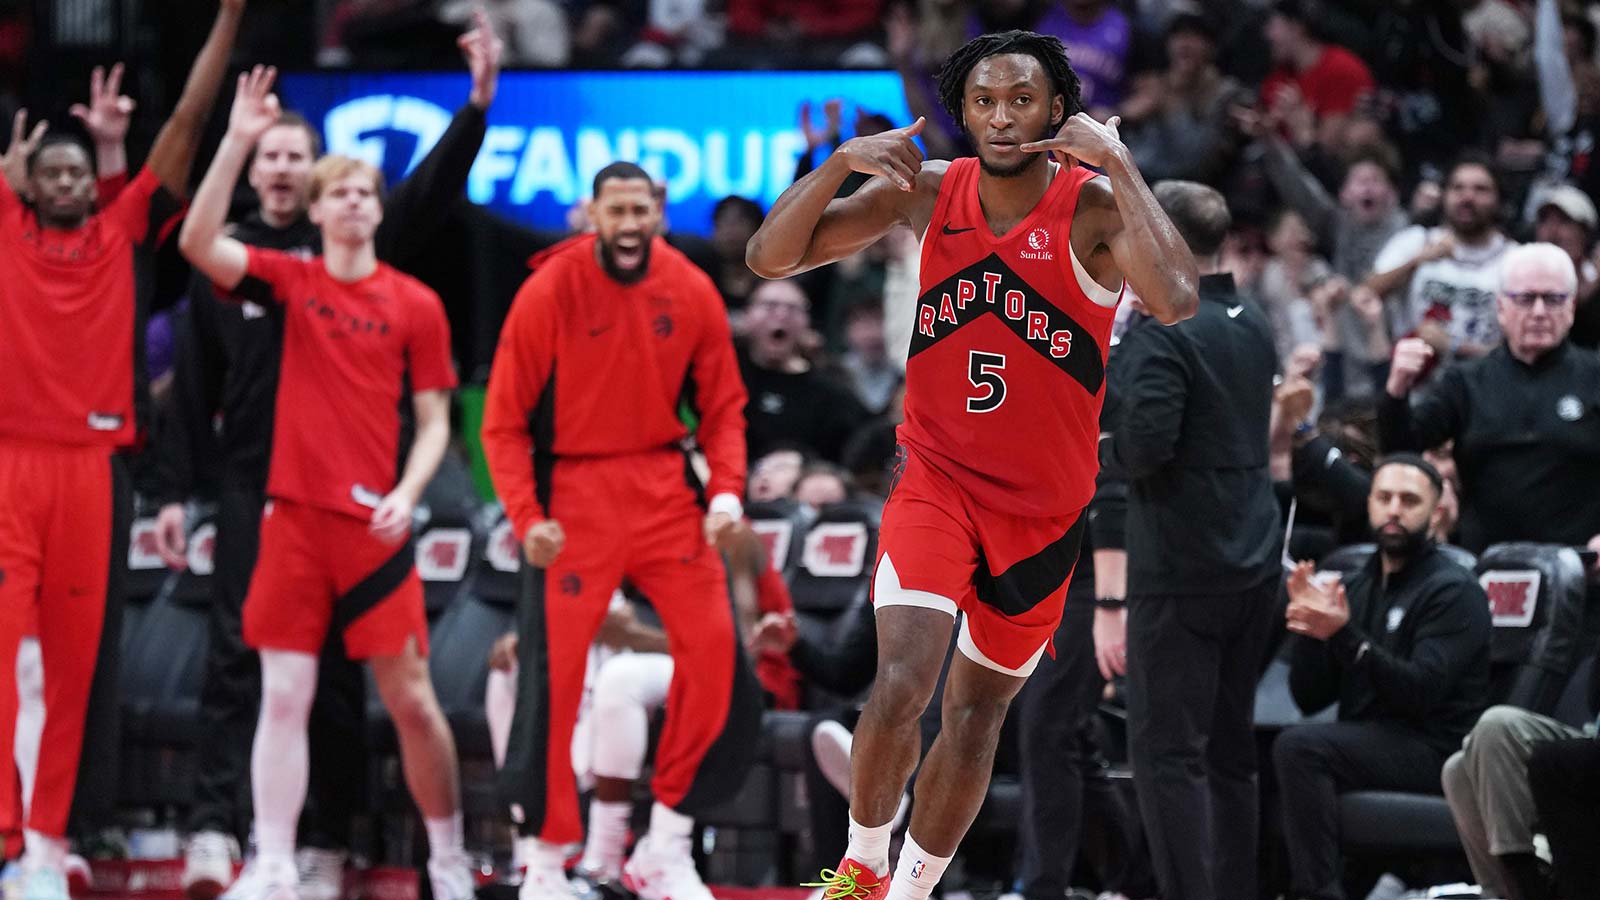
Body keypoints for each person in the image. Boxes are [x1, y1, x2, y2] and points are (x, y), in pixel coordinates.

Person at [746, 28, 1198, 900]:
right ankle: (861, 867)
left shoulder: (1095, 207)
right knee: (903, 678)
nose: (1001, 118)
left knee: (977, 712)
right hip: (938, 480)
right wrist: (840, 162)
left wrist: (1120, 166)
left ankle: (915, 887)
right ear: (961, 110)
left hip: (1045, 513)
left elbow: (1177, 301)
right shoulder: (928, 192)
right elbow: (772, 256)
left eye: (1021, 100)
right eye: (984, 101)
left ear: (1056, 110)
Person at [149, 15, 502, 898]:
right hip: (276, 506)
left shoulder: (414, 301)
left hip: (374, 521)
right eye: (336, 193)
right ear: (312, 209)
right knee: (271, 687)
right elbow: (194, 246)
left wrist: (412, 491)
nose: (351, 202)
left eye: (362, 193)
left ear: (377, 207)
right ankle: (262, 857)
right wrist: (233, 138)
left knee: (404, 697)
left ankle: (434, 855)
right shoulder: (284, 274)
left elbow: (432, 424)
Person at [0, 3, 245, 896]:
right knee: (6, 659)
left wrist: (228, 19)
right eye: (49, 170)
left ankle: (43, 846)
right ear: (28, 180)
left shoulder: (124, 229)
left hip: (97, 471)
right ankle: (6, 838)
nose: (66, 182)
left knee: (70, 669)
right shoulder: (4, 226)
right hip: (11, 464)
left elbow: (184, 121)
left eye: (78, 170)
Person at [481, 160, 763, 900]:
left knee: (718, 657)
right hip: (574, 496)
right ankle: (545, 859)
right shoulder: (550, 288)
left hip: (666, 489)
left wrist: (726, 491)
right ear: (592, 214)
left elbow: (726, 407)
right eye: (617, 211)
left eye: (642, 210)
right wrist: (526, 516)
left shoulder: (691, 287)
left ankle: (666, 843)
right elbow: (503, 425)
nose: (631, 224)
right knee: (553, 678)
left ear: (660, 212)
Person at [1097, 181, 1281, 900]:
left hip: (1180, 570)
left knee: (1169, 757)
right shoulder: (1253, 318)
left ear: (1160, 238)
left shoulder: (1166, 330)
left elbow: (1143, 448)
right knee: (1233, 752)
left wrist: (1089, 452)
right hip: (1253, 562)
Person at [1276, 456, 1492, 900]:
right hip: (1372, 739)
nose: (1394, 509)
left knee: (1301, 748)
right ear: (1369, 504)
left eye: (1409, 500)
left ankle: (1316, 894)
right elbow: (1309, 697)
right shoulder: (1357, 584)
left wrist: (1343, 634)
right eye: (1383, 497)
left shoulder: (1455, 590)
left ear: (1436, 513)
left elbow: (1419, 692)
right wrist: (1309, 629)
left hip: (1436, 748)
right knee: (1265, 743)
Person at [1378, 242, 1600, 560]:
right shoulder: (1466, 381)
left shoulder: (1595, 375)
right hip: (1486, 566)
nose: (1538, 312)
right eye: (1525, 299)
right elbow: (1400, 450)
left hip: (1583, 566)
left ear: (1571, 308)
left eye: (1552, 299)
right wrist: (1397, 387)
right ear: (1501, 308)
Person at [1442, 657, 1600, 900]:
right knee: (1457, 771)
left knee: (1496, 727)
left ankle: (1526, 883)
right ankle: (1503, 893)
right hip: (1589, 735)